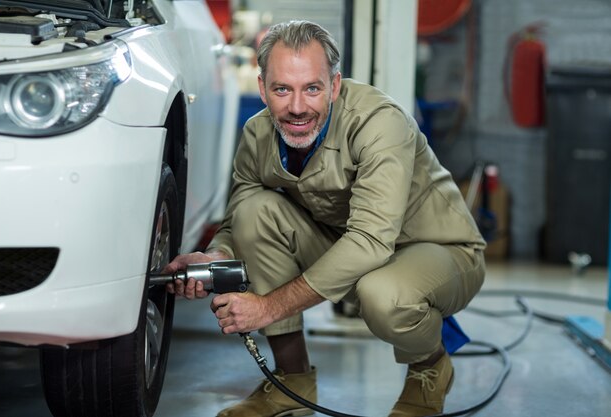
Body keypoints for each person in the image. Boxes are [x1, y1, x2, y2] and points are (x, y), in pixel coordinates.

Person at [164, 20, 486, 417]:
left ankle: (429, 369)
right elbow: (238, 218)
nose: (297, 107)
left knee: (384, 295)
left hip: (438, 251)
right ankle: (291, 381)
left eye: (312, 88)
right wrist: (215, 256)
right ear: (262, 88)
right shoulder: (257, 134)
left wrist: (267, 307)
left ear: (334, 86)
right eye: (282, 89)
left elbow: (370, 241)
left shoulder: (379, 123)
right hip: (347, 250)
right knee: (255, 211)